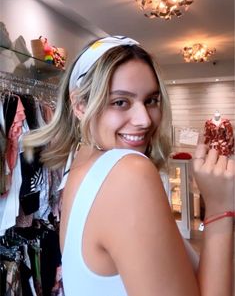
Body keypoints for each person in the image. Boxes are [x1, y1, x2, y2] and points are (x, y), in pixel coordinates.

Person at [23, 35, 234, 296]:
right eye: (120, 102)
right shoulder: (128, 172)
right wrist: (220, 209)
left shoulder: (80, 165)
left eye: (151, 100)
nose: (144, 119)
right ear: (79, 105)